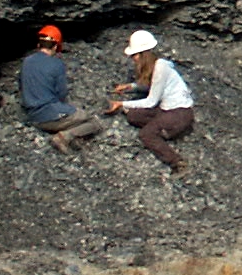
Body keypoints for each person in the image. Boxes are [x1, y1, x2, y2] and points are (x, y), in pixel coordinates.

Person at [108, 29, 195, 175]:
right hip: (168, 110)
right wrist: (131, 87)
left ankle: (177, 163)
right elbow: (152, 86)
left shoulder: (161, 68)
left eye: (135, 55)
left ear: (143, 54)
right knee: (133, 116)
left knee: (146, 134)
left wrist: (121, 104)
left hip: (179, 113)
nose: (133, 59)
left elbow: (151, 101)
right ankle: (164, 130)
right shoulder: (157, 65)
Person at [18, 24, 108, 152]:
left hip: (32, 116)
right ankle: (65, 136)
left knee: (73, 116)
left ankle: (75, 140)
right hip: (49, 115)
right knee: (93, 121)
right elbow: (61, 94)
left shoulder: (27, 61)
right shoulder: (57, 64)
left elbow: (22, 86)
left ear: (39, 45)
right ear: (55, 46)